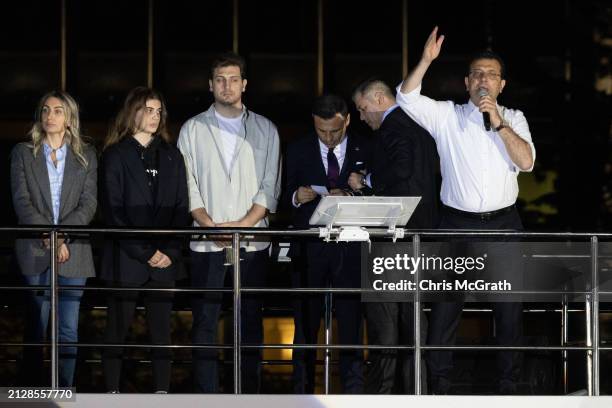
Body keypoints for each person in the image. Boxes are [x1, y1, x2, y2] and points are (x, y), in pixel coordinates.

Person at [396, 27, 536, 394]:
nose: (483, 80)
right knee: (445, 309)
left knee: (508, 310)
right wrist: (426, 60)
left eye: (490, 74)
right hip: (455, 226)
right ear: (466, 82)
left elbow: (526, 162)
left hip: (503, 226)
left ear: (502, 84)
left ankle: (509, 386)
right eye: (477, 74)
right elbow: (406, 97)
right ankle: (438, 386)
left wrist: (498, 122)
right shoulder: (447, 116)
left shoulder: (514, 119)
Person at [177, 52, 281, 393]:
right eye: (220, 79)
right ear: (210, 85)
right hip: (206, 241)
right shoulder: (192, 128)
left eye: (233, 79)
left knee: (249, 321)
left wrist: (243, 225)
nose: (227, 85)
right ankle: (207, 396)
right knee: (205, 322)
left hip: (252, 242)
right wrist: (209, 225)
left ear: (244, 84)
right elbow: (188, 184)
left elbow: (270, 186)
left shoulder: (266, 128)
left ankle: (248, 394)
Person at [348, 78, 439, 393]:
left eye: (362, 109)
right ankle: (417, 394)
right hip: (420, 237)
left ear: (377, 98)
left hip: (393, 238)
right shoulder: (420, 124)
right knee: (414, 326)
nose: (362, 117)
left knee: (385, 327)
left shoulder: (394, 127)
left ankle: (382, 396)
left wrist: (365, 181)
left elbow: (400, 171)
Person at [100, 87, 190, 393]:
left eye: (158, 111)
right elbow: (113, 211)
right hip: (127, 258)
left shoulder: (172, 154)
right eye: (147, 110)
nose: (154, 116)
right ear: (132, 111)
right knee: (117, 328)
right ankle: (111, 392)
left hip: (165, 259)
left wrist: (170, 251)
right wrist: (145, 251)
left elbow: (181, 208)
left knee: (162, 331)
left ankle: (162, 393)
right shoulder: (115, 154)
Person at [10, 90, 97, 387]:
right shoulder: (23, 152)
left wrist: (62, 238)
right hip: (35, 249)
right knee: (36, 326)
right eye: (45, 110)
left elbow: (88, 204)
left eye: (58, 111)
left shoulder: (86, 155)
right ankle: (32, 392)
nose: (50, 116)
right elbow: (22, 202)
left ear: (69, 118)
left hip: (74, 251)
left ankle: (64, 391)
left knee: (68, 329)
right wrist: (49, 236)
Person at [285, 94, 368, 394]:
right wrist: (297, 197)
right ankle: (302, 391)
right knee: (305, 326)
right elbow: (282, 197)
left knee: (351, 324)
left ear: (347, 120)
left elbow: (379, 190)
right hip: (310, 248)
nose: (329, 137)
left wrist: (357, 191)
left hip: (351, 247)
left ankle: (353, 392)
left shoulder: (365, 147)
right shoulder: (296, 150)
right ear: (313, 123)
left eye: (335, 130)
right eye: (322, 131)